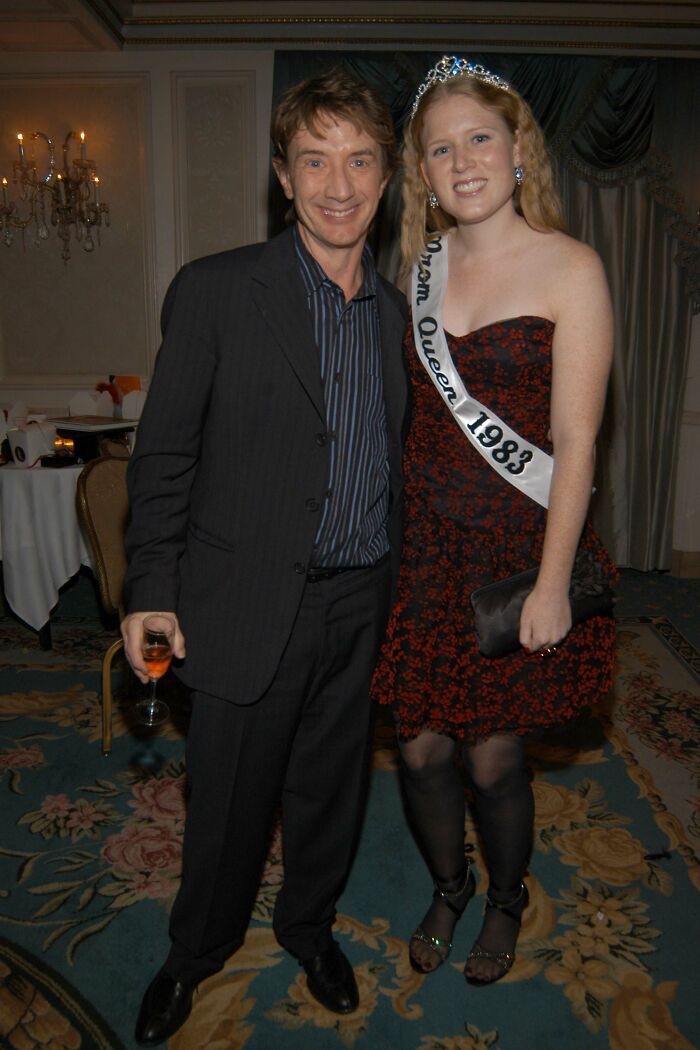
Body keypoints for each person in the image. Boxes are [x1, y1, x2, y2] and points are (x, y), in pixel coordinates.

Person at [121, 68, 408, 1046]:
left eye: (359, 161)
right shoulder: (215, 290)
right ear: (282, 176)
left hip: (360, 601)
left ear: (387, 178)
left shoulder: (398, 316)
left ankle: (308, 929)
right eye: (315, 161)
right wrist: (150, 588)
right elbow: (163, 457)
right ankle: (193, 952)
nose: (339, 185)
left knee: (330, 791)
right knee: (229, 801)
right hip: (243, 598)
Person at [372, 56, 617, 986]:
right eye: (441, 149)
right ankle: (450, 885)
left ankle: (506, 900)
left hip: (518, 550)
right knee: (419, 747)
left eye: (480, 138)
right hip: (425, 553)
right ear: (423, 172)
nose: (462, 161)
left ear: (519, 149)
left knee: (492, 759)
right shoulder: (420, 268)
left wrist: (553, 585)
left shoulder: (572, 267)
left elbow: (578, 441)